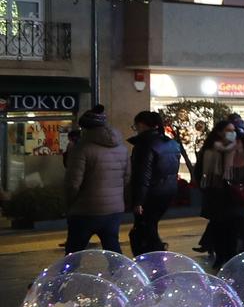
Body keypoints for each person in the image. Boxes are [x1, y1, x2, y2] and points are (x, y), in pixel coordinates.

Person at [63, 106, 129, 254]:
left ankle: (68, 276)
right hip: (114, 209)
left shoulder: (81, 149)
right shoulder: (122, 148)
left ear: (84, 128)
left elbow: (73, 184)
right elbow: (126, 177)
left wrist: (69, 204)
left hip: (84, 209)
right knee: (113, 250)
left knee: (74, 253)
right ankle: (121, 275)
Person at [195, 118, 244, 264]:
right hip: (217, 199)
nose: (232, 134)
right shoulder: (209, 151)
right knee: (221, 232)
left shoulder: (241, 147)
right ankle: (222, 259)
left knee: (238, 233)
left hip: (237, 199)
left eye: (233, 131)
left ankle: (235, 261)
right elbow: (199, 173)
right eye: (228, 131)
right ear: (219, 133)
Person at [126, 111, 185, 255]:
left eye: (136, 126)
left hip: (150, 194)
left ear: (141, 125)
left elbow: (143, 175)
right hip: (167, 191)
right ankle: (156, 256)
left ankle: (156, 258)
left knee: (144, 229)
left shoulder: (144, 145)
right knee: (150, 226)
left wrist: (138, 201)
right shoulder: (171, 144)